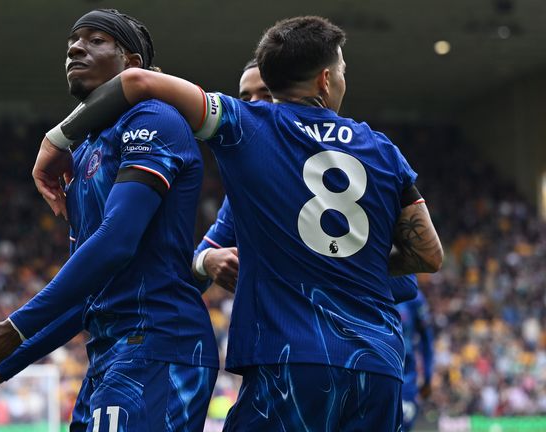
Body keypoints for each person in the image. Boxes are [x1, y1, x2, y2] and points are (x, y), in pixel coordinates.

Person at [34, 16, 444, 431]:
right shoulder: (383, 150)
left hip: (288, 359)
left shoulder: (248, 126)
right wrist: (343, 259)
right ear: (325, 80)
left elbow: (138, 82)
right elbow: (428, 254)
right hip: (378, 365)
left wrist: (56, 140)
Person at [0, 9, 219, 430]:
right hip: (112, 353)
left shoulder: (152, 120)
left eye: (96, 39)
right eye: (73, 40)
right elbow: (89, 296)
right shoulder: (85, 151)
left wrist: (16, 327)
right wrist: (2, 367)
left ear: (132, 63)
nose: (75, 47)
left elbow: (117, 242)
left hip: (158, 344)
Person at [193, 59, 271, 292]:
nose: (254, 106)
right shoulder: (247, 188)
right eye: (246, 99)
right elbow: (195, 267)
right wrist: (205, 261)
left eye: (266, 95)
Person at [397, 284, 435, 431]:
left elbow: (427, 339)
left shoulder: (414, 297)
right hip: (373, 372)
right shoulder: (366, 283)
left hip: (405, 378)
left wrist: (427, 377)